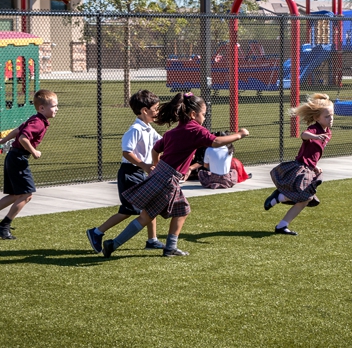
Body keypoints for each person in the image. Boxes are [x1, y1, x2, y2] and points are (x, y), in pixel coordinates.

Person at [101, 92, 249, 258]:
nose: (204, 117)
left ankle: (112, 244)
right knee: (182, 210)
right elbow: (215, 142)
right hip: (169, 179)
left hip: (160, 175)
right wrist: (239, 135)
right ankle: (170, 247)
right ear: (193, 114)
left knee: (147, 215)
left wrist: (157, 164)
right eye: (203, 114)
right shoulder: (195, 130)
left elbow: (156, 149)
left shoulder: (173, 132)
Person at [86, 90, 164, 253]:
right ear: (144, 110)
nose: (157, 112)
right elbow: (126, 152)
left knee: (150, 205)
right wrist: (144, 165)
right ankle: (96, 232)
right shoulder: (136, 129)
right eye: (155, 108)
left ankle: (152, 240)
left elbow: (162, 142)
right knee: (129, 210)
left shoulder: (148, 128)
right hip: (129, 173)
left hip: (139, 172)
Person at [264, 93, 333, 236]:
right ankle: (279, 197)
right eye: (327, 116)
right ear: (316, 118)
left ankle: (282, 225)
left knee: (305, 200)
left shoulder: (328, 132)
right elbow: (304, 134)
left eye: (332, 115)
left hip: (309, 168)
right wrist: (314, 136)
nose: (330, 119)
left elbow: (313, 153)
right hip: (300, 168)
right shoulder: (315, 129)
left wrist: (314, 166)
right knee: (304, 196)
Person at [0, 89, 58, 239]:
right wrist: (34, 151)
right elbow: (23, 138)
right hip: (18, 159)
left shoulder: (36, 119)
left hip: (13, 157)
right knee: (27, 195)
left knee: (15, 195)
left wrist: (3, 140)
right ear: (42, 108)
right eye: (53, 106)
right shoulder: (38, 122)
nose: (56, 109)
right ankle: (4, 226)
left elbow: (19, 130)